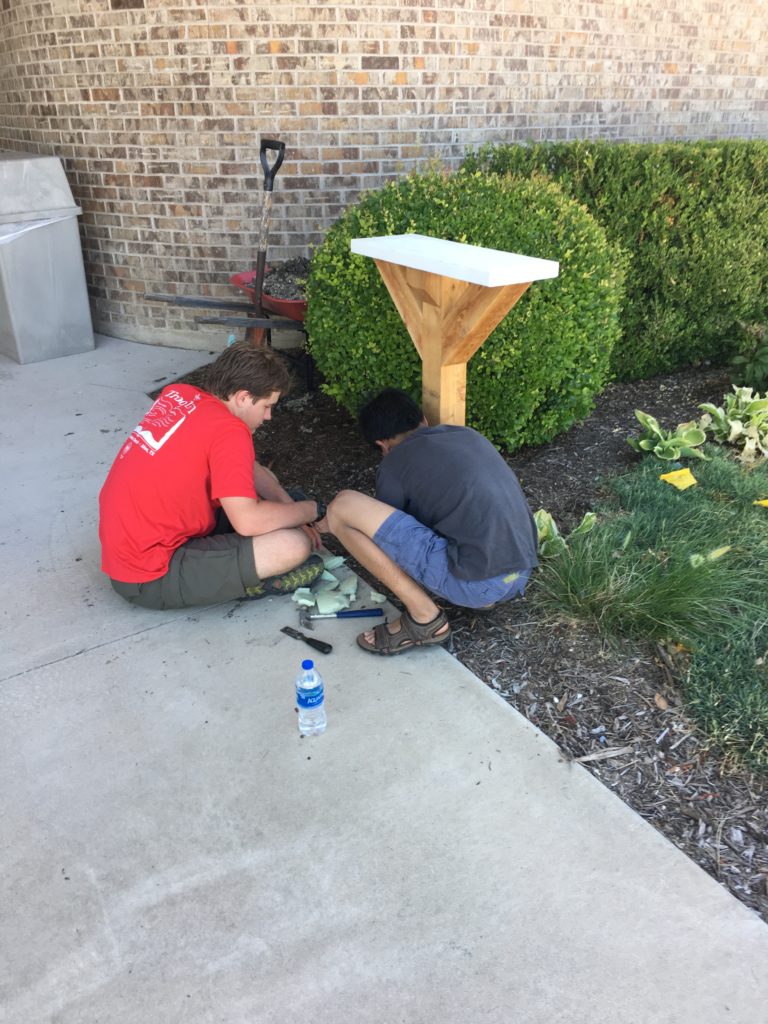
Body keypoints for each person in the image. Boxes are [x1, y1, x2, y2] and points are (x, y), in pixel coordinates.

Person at [99, 343, 327, 610]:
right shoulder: (231, 432)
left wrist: (289, 505)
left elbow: (249, 468)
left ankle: (236, 560)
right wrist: (312, 510)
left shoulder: (182, 395)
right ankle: (250, 583)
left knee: (282, 504)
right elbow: (248, 522)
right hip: (150, 577)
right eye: (267, 406)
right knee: (293, 545)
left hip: (130, 550)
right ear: (243, 397)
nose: (268, 416)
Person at [325, 388, 539, 655]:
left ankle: (424, 618)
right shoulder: (466, 434)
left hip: (479, 585)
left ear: (382, 444)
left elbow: (384, 536)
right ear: (423, 419)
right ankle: (481, 598)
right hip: (521, 571)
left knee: (342, 507)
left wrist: (330, 525)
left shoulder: (394, 463)